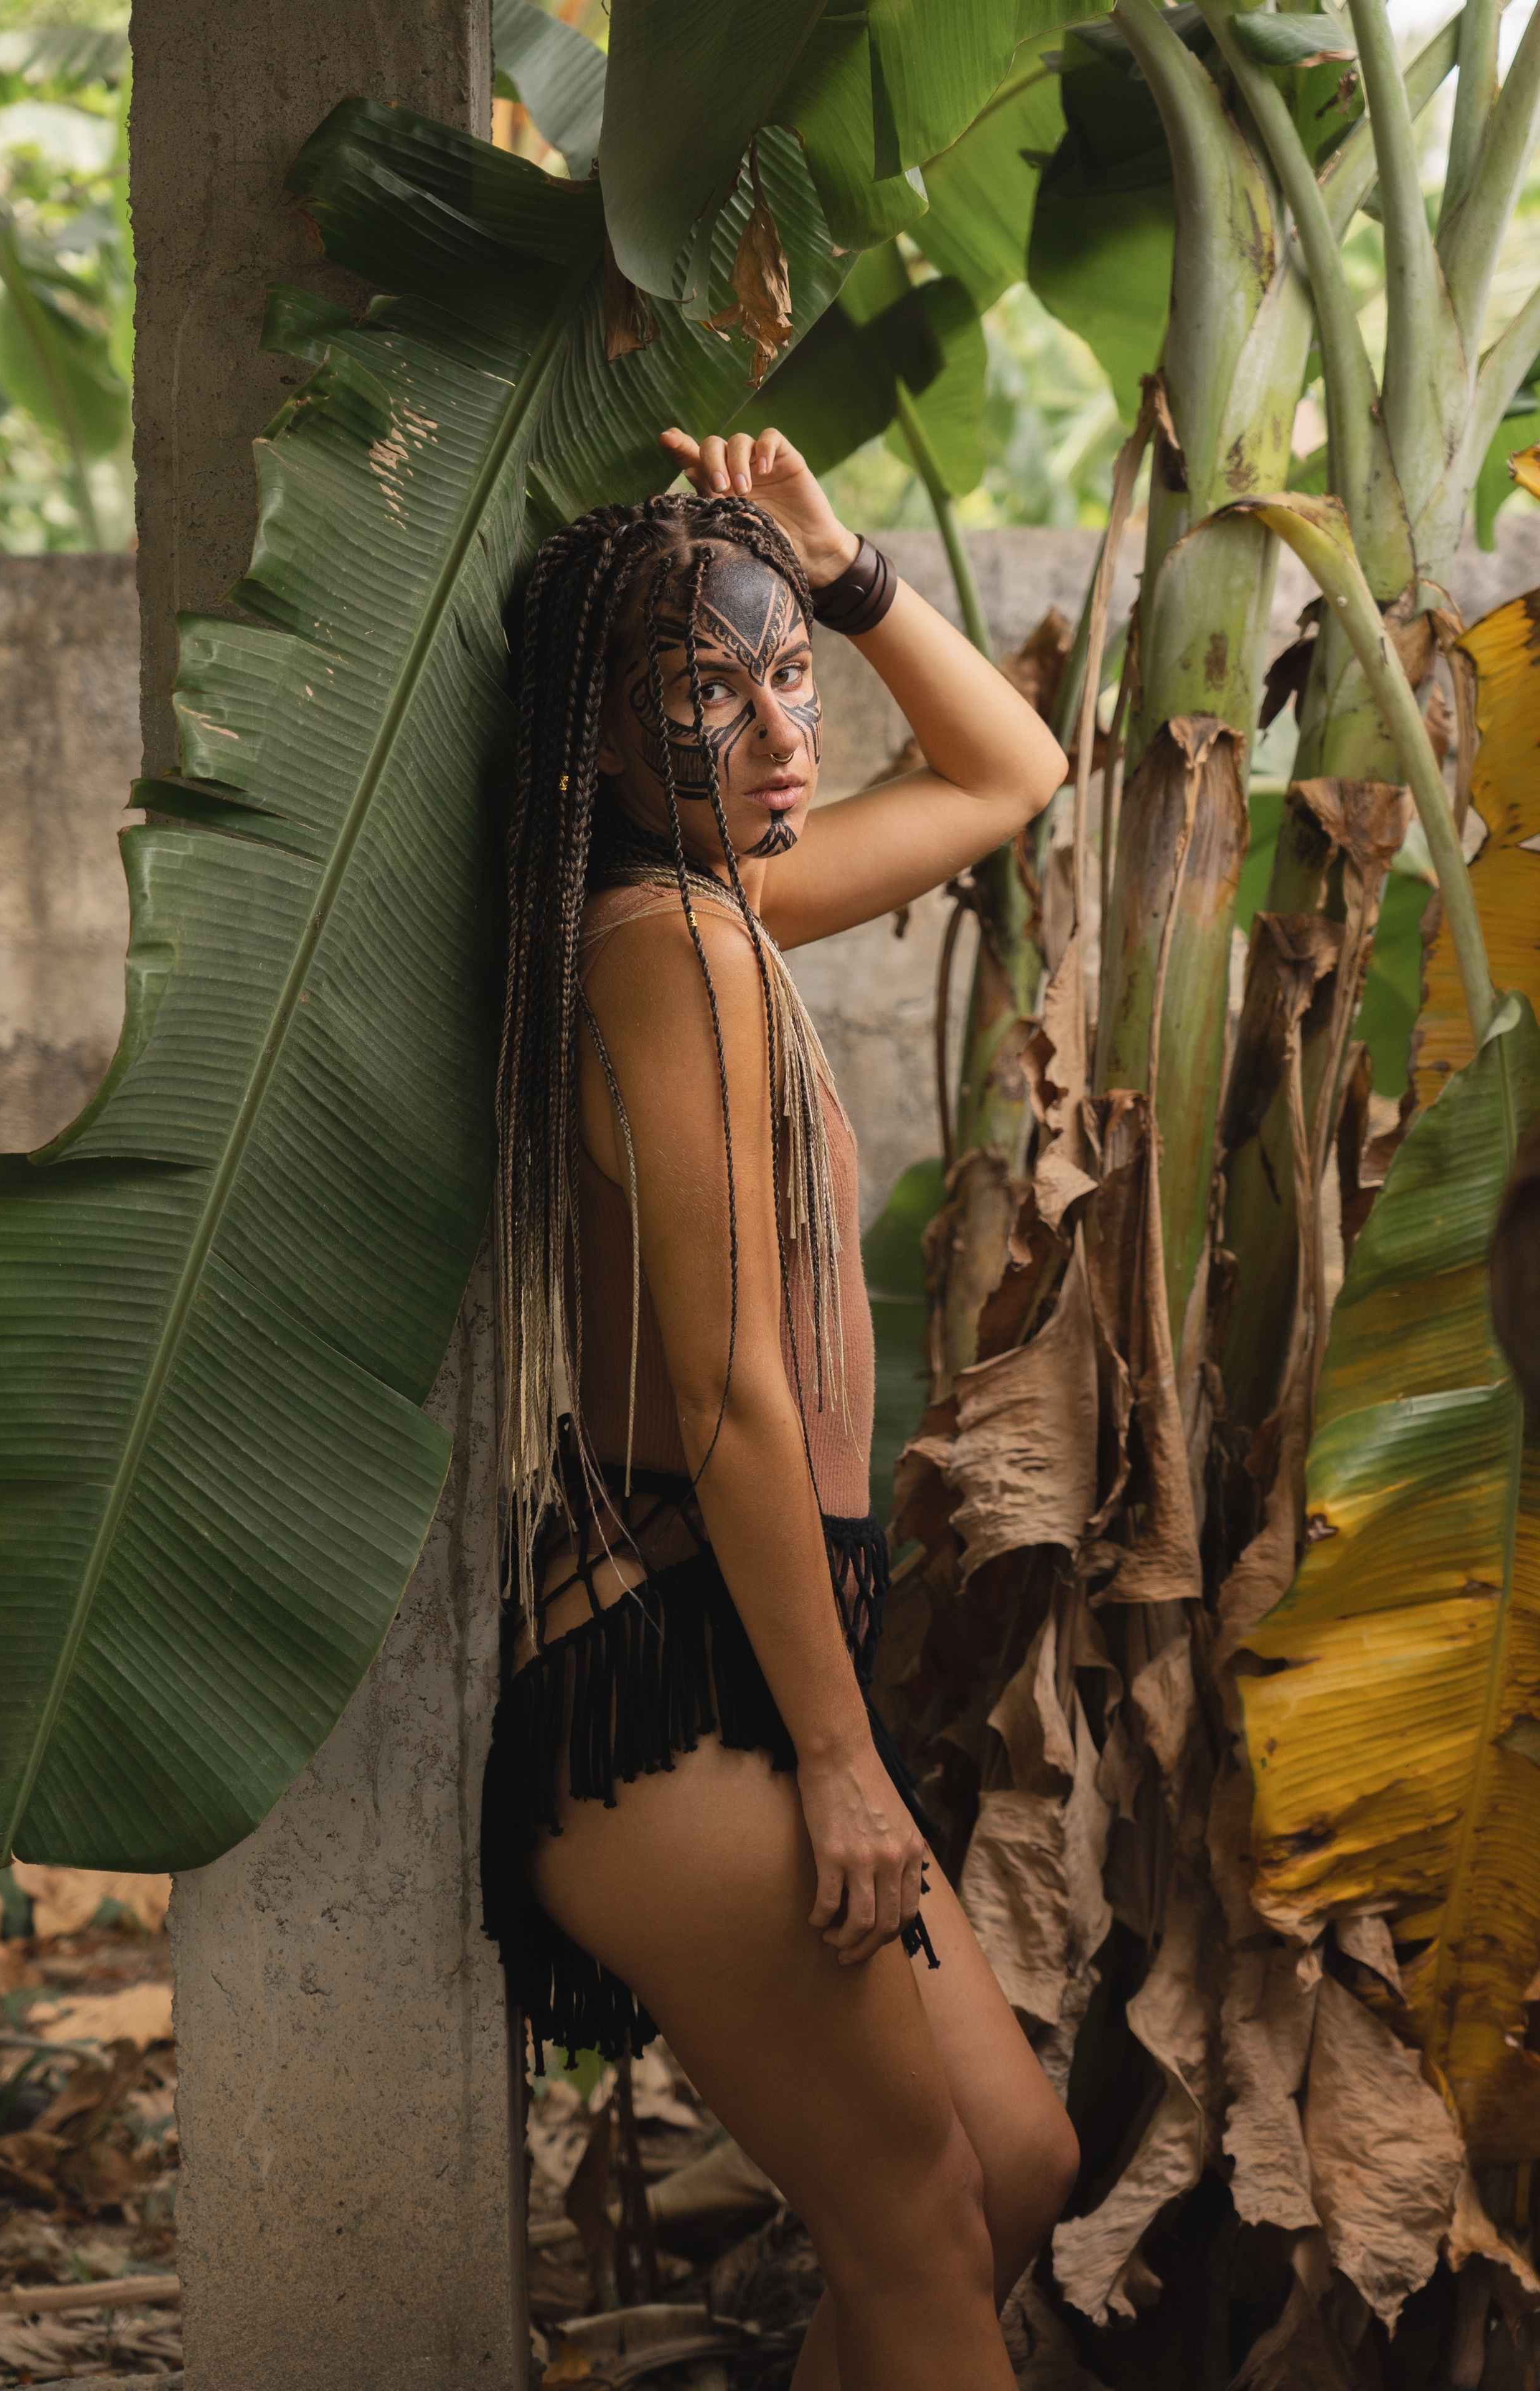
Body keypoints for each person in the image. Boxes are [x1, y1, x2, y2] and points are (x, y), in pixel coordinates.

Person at [482, 425, 1078, 2390]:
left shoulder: (725, 908)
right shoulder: (667, 944)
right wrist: (842, 1759)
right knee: (916, 2224)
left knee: (1010, 2171)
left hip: (745, 1654)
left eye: (787, 676)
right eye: (703, 696)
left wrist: (840, 562)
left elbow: (1014, 772)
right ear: (606, 743)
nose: (774, 731)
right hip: (671, 1673)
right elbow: (739, 1395)